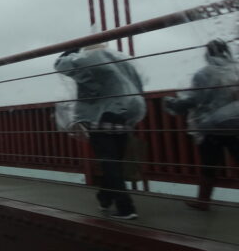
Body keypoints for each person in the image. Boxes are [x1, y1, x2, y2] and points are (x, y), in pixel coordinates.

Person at [55, 44, 146, 220]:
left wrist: (72, 50)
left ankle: (126, 207)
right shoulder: (121, 62)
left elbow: (60, 64)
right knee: (113, 163)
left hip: (100, 120)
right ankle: (104, 197)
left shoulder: (90, 60)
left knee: (109, 163)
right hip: (123, 118)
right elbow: (138, 85)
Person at [164, 39, 239, 210]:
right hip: (236, 126)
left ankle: (203, 201)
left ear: (208, 53)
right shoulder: (236, 70)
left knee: (208, 165)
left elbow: (193, 100)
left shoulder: (203, 74)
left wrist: (171, 104)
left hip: (212, 127)